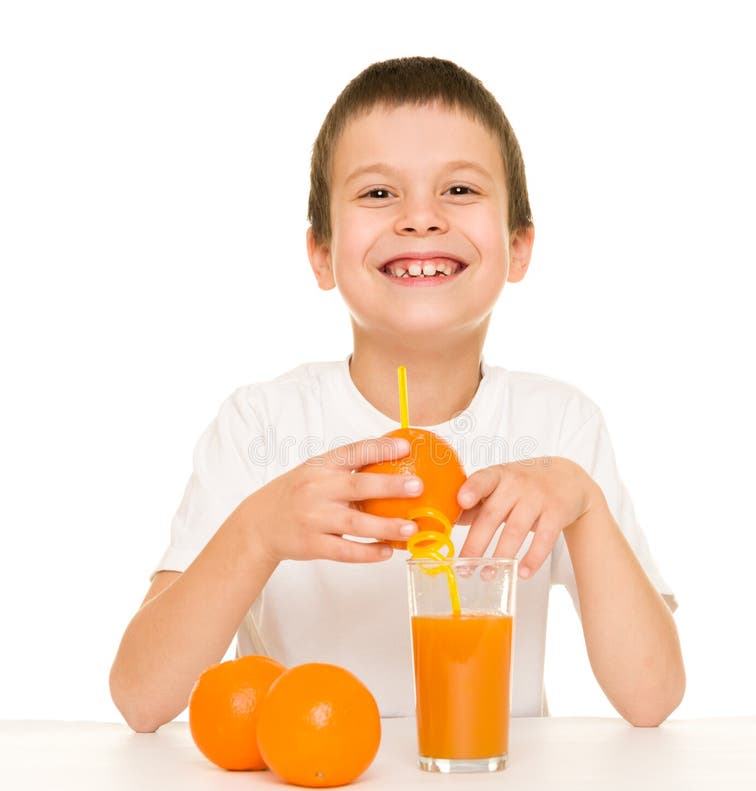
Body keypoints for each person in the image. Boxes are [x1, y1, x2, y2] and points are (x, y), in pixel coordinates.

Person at [109, 56, 685, 733]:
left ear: (519, 245)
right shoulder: (261, 424)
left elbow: (654, 697)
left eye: (461, 189)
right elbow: (140, 697)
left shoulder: (559, 427)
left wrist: (584, 506)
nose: (420, 218)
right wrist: (258, 532)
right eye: (379, 194)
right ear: (322, 252)